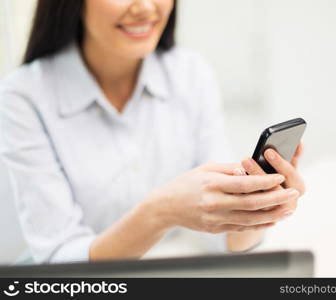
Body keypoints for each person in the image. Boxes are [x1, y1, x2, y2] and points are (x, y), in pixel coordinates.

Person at [0, 0, 305, 263]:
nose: (145, 7)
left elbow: (223, 240)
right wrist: (161, 212)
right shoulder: (23, 97)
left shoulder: (190, 73)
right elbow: (59, 264)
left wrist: (256, 210)